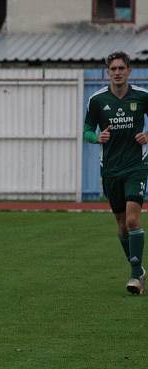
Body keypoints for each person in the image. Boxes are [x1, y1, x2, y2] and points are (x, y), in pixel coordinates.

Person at [84, 51, 148, 295]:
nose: (118, 72)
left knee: (133, 220)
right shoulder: (97, 100)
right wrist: (96, 137)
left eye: (122, 68)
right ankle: (139, 269)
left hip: (136, 165)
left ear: (129, 71)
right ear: (107, 72)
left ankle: (134, 277)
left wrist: (147, 136)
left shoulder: (142, 96)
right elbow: (87, 130)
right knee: (122, 227)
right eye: (113, 69)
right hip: (110, 169)